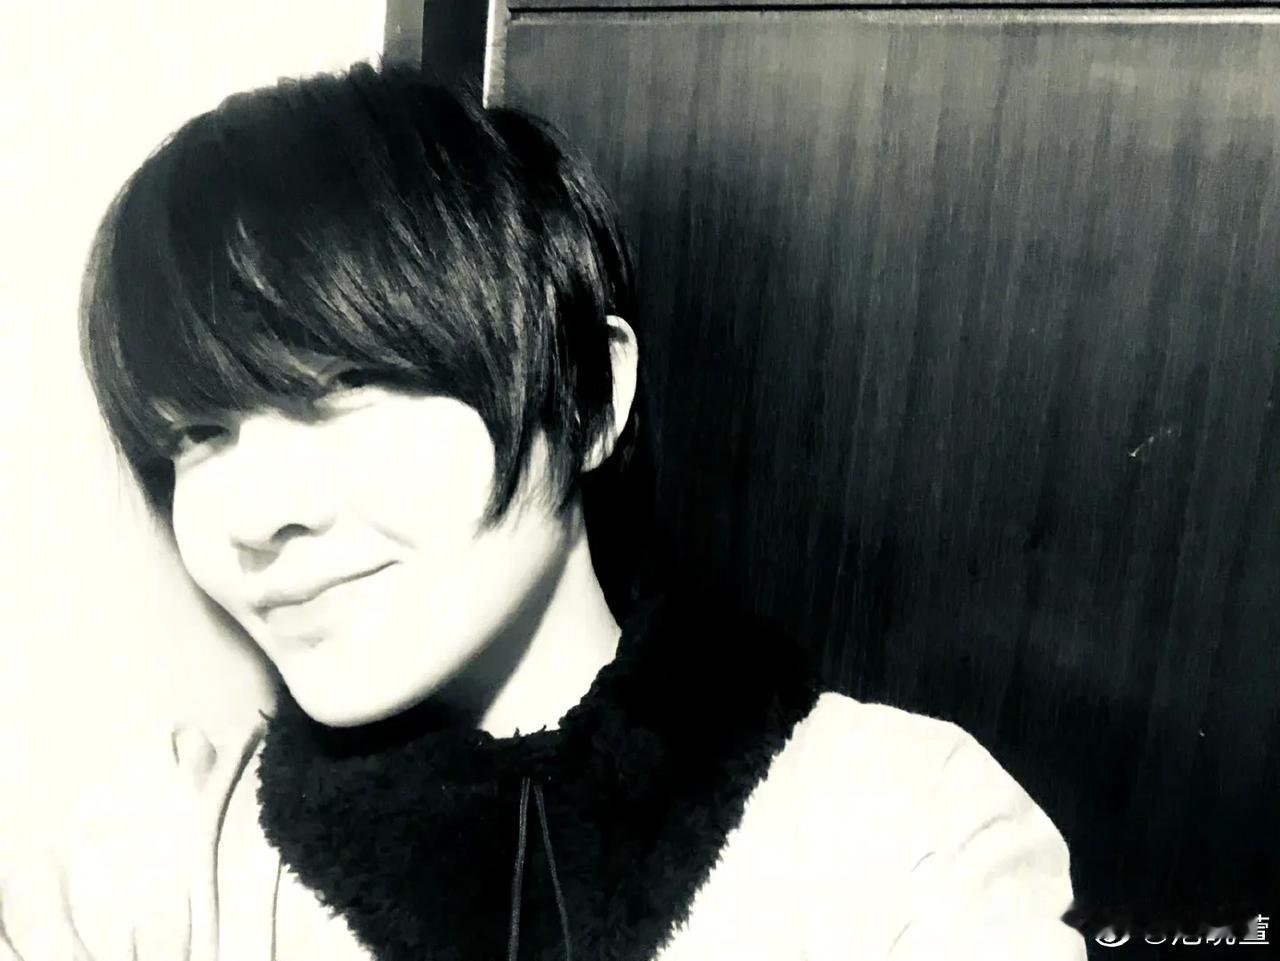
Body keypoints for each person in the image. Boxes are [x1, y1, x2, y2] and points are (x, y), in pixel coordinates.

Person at [1, 62, 1087, 960]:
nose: (251, 516)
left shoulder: (903, 830)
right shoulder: (157, 863)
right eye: (196, 436)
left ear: (591, 393)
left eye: (342, 391)